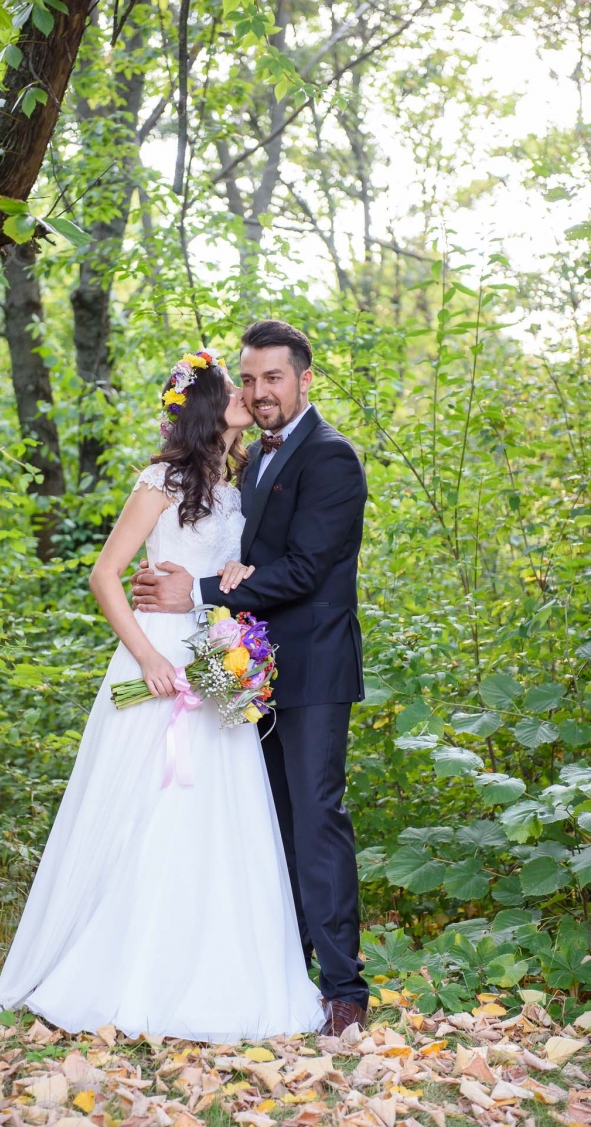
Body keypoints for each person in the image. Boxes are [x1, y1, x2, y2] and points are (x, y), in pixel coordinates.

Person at [0, 348, 326, 1043]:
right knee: (147, 810)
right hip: (158, 658)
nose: (245, 394)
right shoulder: (162, 479)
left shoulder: (236, 486)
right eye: (233, 385)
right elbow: (105, 574)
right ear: (207, 406)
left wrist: (239, 573)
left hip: (213, 659)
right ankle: (123, 972)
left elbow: (248, 570)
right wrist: (145, 659)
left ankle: (214, 973)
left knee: (218, 816)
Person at [132, 320, 370, 1036]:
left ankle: (342, 991)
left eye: (274, 377)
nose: (260, 391)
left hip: (313, 674)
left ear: (303, 379)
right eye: (250, 378)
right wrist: (226, 583)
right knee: (265, 828)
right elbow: (252, 560)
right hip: (247, 670)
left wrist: (199, 593)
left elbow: (304, 568)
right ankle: (276, 974)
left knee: (315, 821)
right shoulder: (252, 463)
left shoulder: (330, 458)